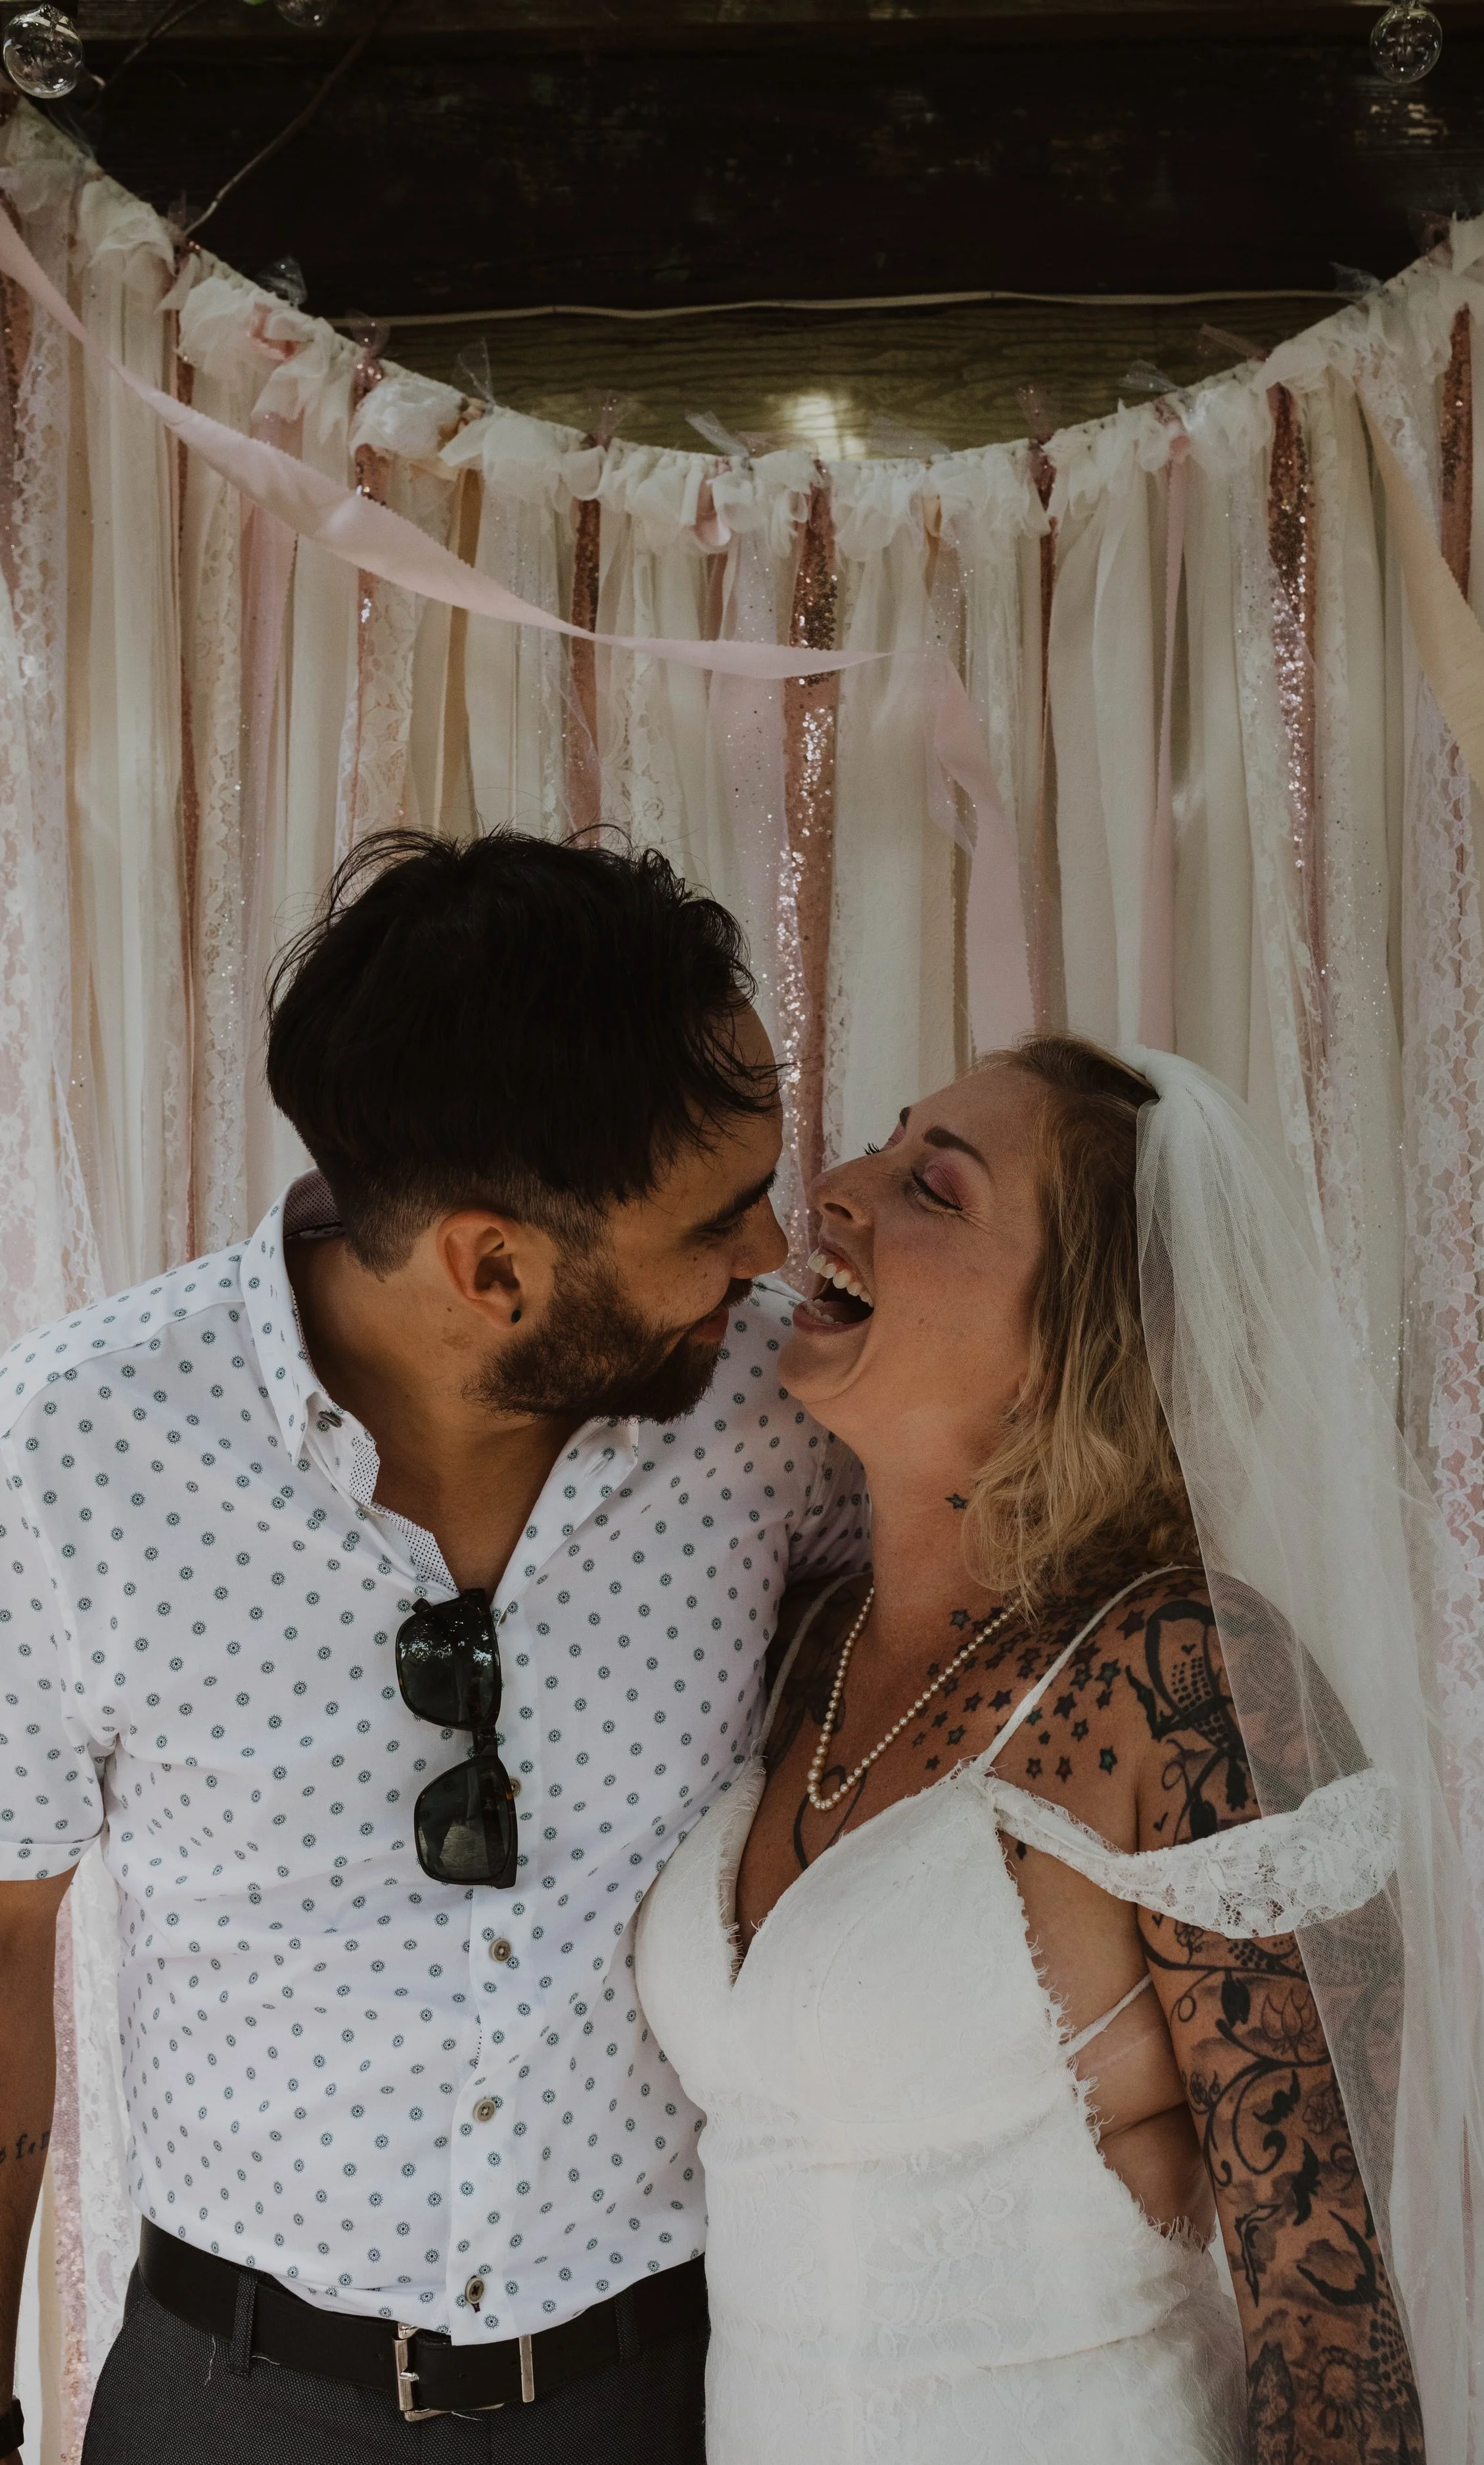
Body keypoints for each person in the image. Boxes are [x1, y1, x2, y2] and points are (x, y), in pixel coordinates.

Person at [0, 830, 866, 2465]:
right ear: (492, 1267)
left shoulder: (779, 1413)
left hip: (674, 2395)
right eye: (719, 1219)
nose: (767, 1258)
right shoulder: (75, 1447)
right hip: (228, 2405)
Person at [635, 1034, 1441, 2465]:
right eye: (882, 1148)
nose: (833, 1187)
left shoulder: (1184, 1683)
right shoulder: (800, 1653)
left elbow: (1330, 2325)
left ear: (1079, 1339)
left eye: (929, 1188)